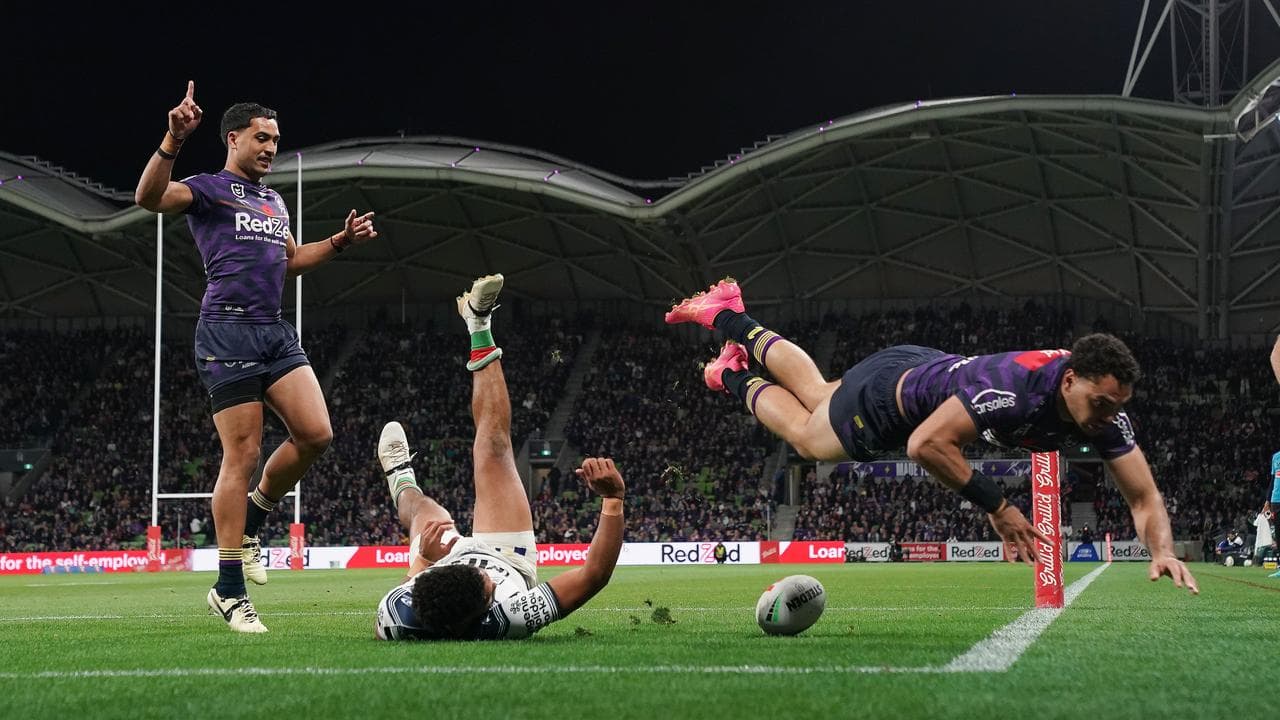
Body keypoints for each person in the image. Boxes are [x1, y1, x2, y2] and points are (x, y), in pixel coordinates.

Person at [666, 278, 1198, 594]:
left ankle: (732, 318)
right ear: (1069, 380)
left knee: (819, 389)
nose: (1107, 415)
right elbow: (926, 445)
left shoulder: (1102, 407)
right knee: (809, 438)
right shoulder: (1015, 392)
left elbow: (1144, 494)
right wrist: (999, 507)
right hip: (892, 405)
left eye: (1116, 406)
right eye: (1100, 403)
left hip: (922, 367)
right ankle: (728, 370)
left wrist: (1164, 549)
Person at [134, 82, 379, 632]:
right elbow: (148, 198)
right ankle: (228, 589)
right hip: (226, 333)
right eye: (261, 138)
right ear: (233, 139)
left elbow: (290, 260)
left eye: (275, 139)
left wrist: (338, 242)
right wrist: (173, 138)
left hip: (272, 331)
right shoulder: (209, 189)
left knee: (317, 433)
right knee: (240, 457)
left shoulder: (273, 199)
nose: (270, 147)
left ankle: (254, 521)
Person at [374, 274, 625, 640]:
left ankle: (400, 475)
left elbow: (403, 594)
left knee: (422, 509)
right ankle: (480, 323)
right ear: (482, 611)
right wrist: (613, 500)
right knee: (494, 448)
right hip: (507, 555)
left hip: (441, 565)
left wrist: (424, 562)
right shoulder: (510, 617)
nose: (488, 579)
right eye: (488, 585)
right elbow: (593, 575)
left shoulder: (397, 615)